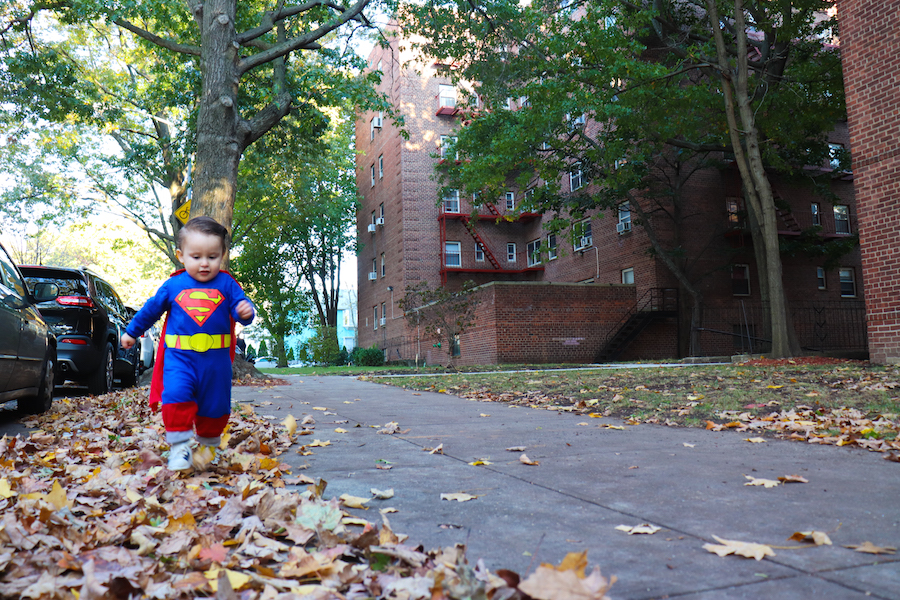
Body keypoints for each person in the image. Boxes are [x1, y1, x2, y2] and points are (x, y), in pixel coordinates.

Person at [121, 216, 256, 471]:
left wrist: (245, 311)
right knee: (176, 395)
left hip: (215, 362)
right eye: (196, 257)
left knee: (215, 405)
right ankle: (180, 447)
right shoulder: (173, 285)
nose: (204, 263)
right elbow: (151, 310)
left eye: (212, 257)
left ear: (222, 255)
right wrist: (132, 332)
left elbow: (242, 309)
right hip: (179, 358)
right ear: (181, 256)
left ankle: (207, 447)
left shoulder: (227, 283)